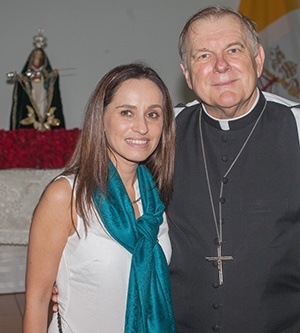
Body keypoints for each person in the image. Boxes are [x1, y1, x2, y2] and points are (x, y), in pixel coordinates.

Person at [167, 5, 300, 332]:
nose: (221, 65)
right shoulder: (161, 132)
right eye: (203, 56)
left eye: (233, 50)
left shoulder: (296, 126)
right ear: (187, 73)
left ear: (258, 59)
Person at [23, 63, 176, 333]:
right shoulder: (67, 195)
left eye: (153, 114)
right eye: (127, 112)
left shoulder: (155, 199)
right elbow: (37, 300)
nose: (142, 127)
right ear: (101, 118)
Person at [10, 47, 65, 130]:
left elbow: (51, 84)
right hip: (33, 93)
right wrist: (21, 79)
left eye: (40, 55)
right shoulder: (26, 74)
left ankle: (42, 121)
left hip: (42, 93)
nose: (37, 57)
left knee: (42, 106)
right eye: (36, 55)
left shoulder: (46, 74)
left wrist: (53, 76)